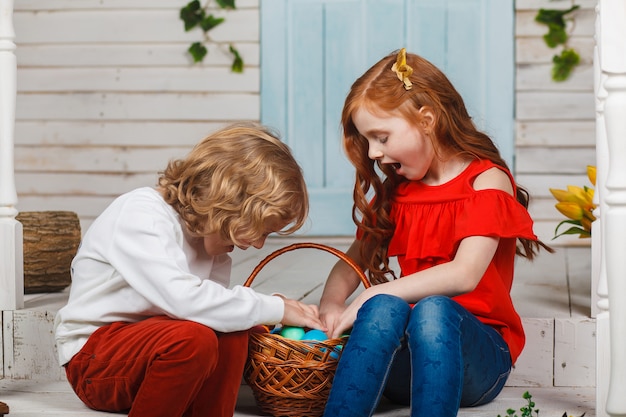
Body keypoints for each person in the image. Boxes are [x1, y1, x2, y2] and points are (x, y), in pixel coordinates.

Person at [319, 49, 553, 417]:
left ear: (426, 119)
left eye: (380, 137)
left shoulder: (486, 181)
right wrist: (332, 305)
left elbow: (464, 274)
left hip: (478, 362)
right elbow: (351, 264)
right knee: (384, 308)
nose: (374, 153)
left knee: (433, 309)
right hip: (407, 366)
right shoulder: (399, 191)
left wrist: (373, 293)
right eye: (367, 141)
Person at [54, 122, 325, 417]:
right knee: (193, 338)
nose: (259, 244)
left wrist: (260, 317)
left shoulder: (215, 247)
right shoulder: (141, 214)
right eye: (260, 230)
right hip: (96, 361)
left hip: (159, 351)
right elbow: (183, 300)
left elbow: (212, 312)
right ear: (229, 204)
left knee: (232, 331)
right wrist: (275, 307)